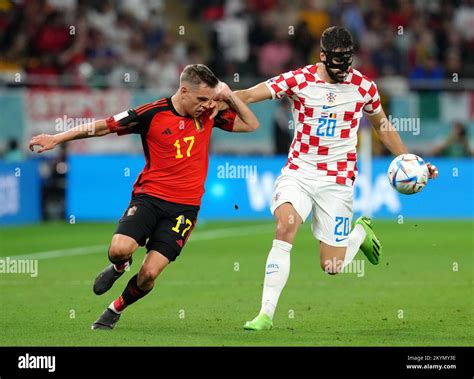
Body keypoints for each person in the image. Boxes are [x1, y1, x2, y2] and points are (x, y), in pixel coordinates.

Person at [214, 26, 439, 331]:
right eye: (337, 63)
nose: (343, 71)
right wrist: (221, 99)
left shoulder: (364, 87)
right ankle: (265, 313)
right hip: (300, 172)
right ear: (322, 56)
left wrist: (413, 162)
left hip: (338, 180)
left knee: (331, 266)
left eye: (347, 62)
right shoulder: (299, 80)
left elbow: (382, 126)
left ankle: (359, 234)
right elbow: (251, 95)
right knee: (286, 225)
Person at [29, 64, 259, 330]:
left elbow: (251, 124)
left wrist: (228, 96)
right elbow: (104, 126)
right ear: (183, 91)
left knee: (149, 274)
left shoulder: (209, 113)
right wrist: (57, 138)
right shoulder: (151, 113)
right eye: (201, 99)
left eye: (210, 99)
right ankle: (119, 267)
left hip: (185, 209)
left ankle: (115, 309)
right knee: (119, 250)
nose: (206, 105)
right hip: (149, 197)